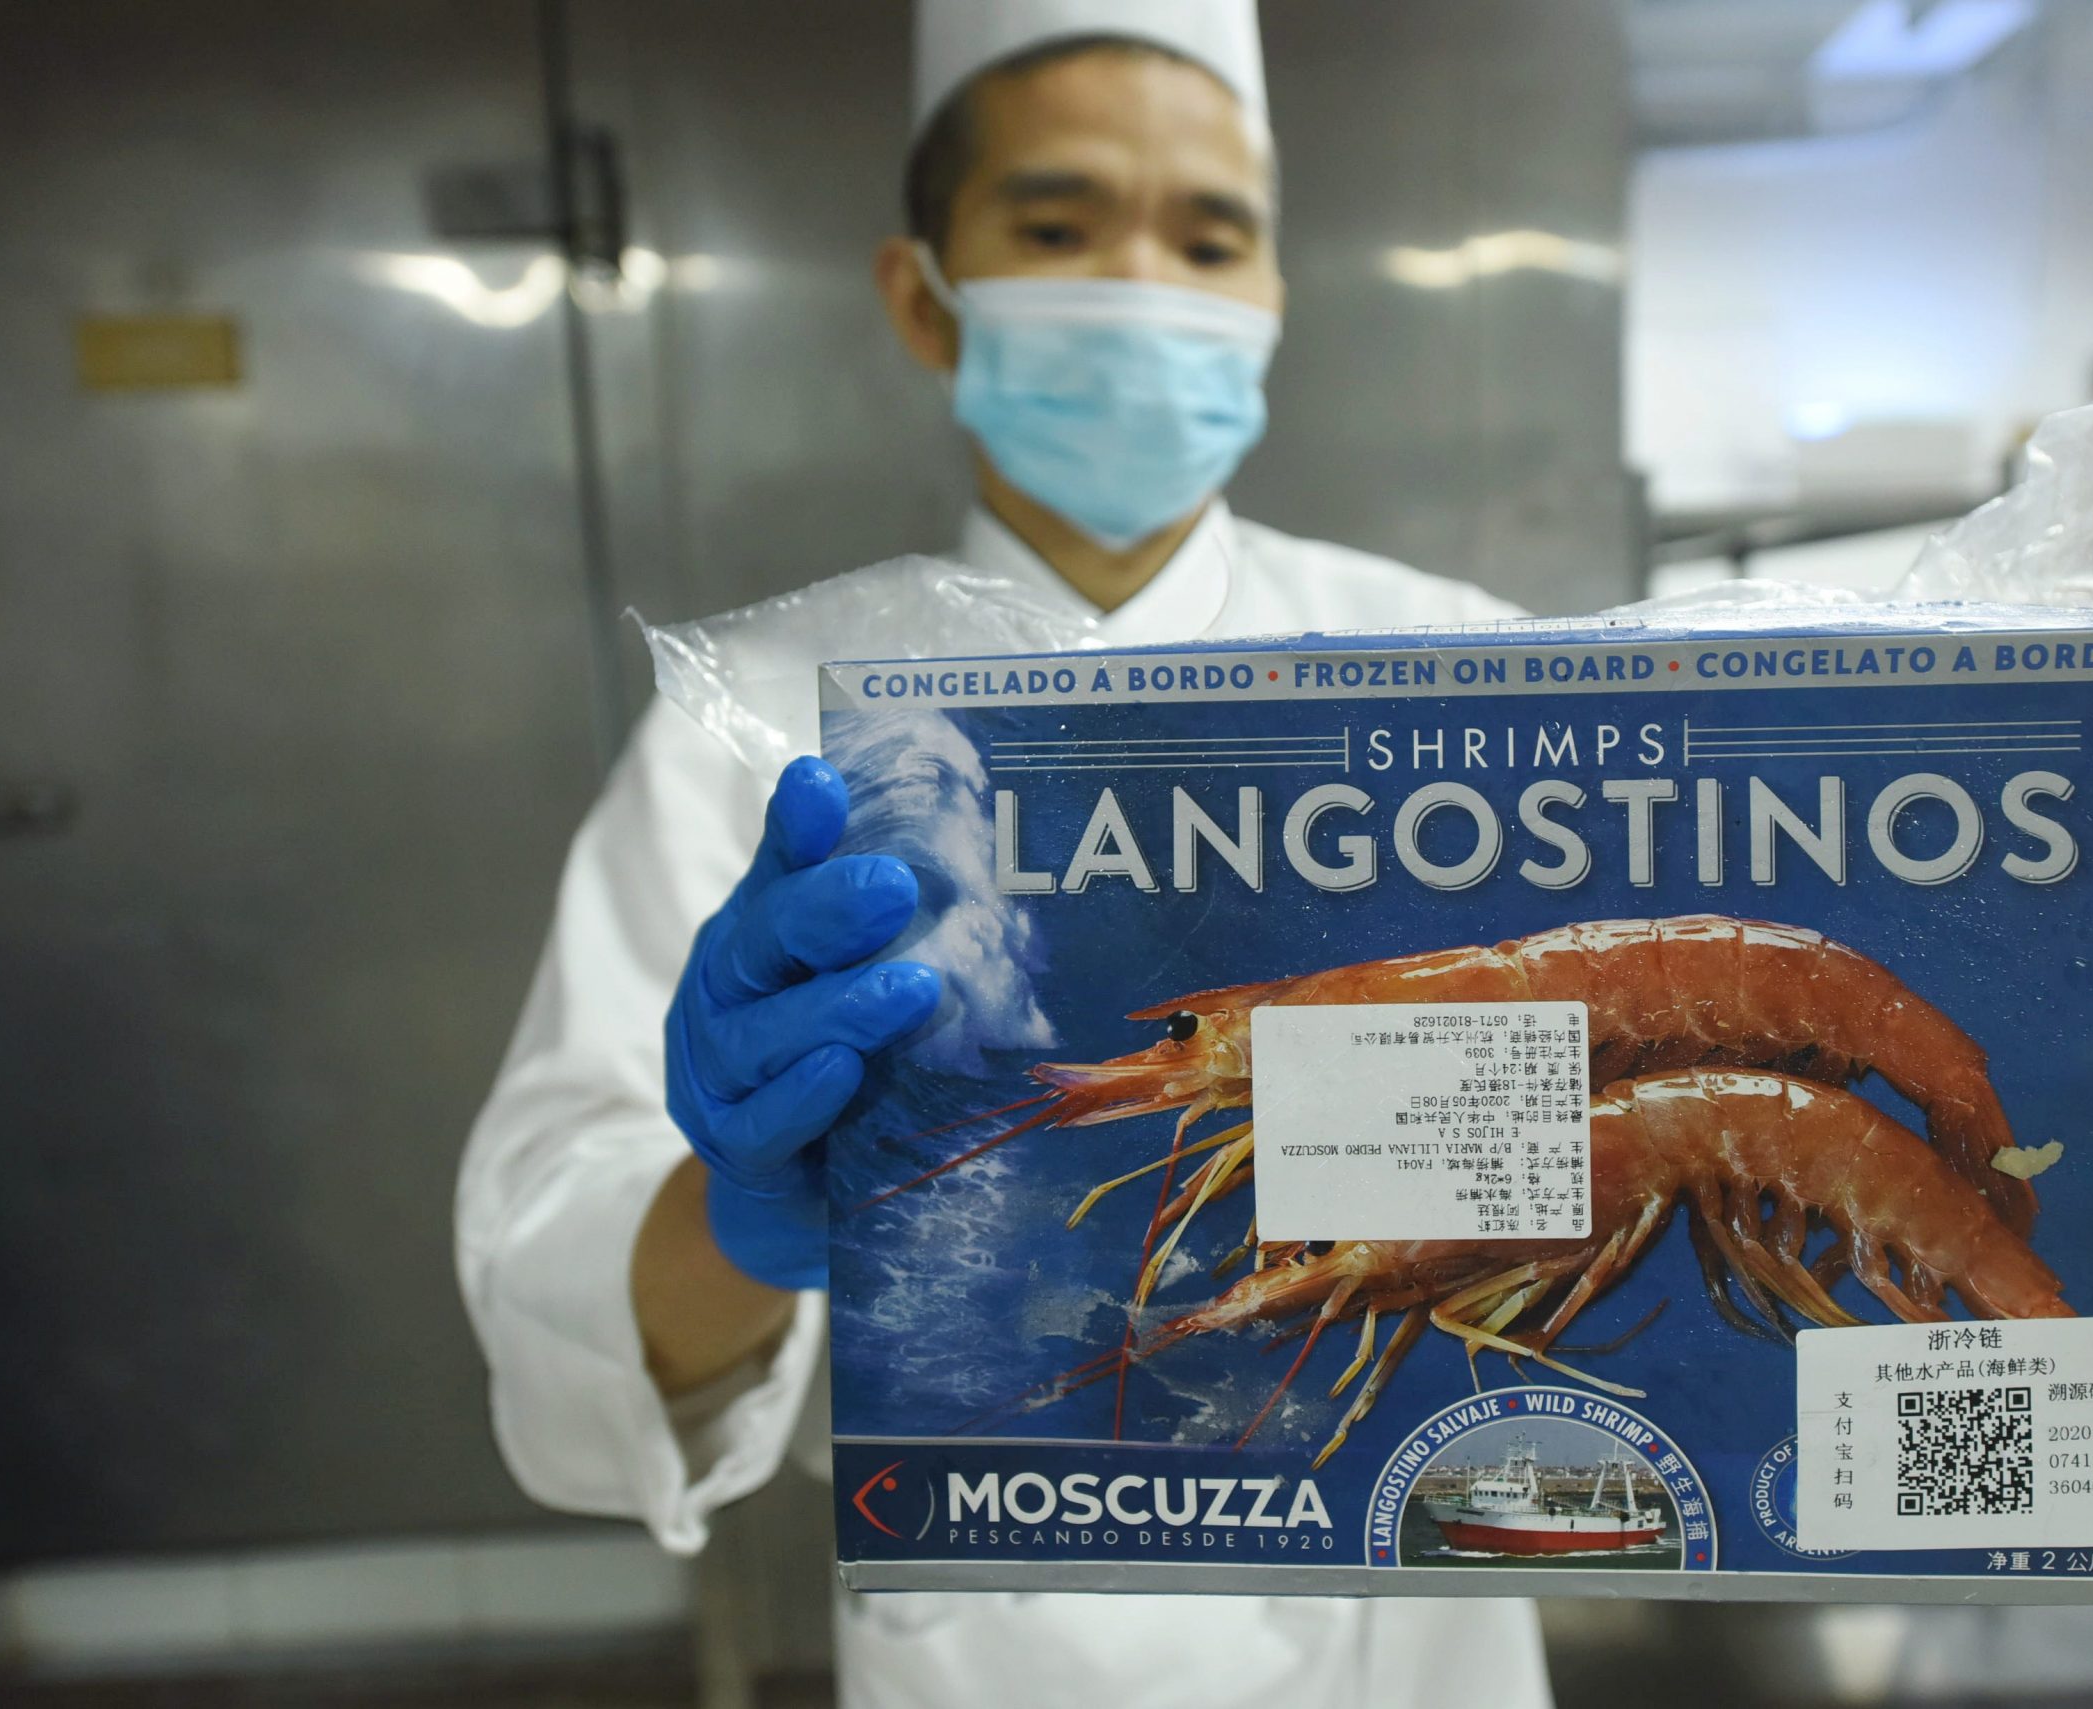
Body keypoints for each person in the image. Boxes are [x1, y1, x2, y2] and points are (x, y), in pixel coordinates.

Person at [455, 4, 1550, 1706]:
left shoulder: (1470, 673)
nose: (1140, 280)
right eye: (1056, 226)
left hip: (1415, 1622)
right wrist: (741, 1213)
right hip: (982, 1635)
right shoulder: (761, 724)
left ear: (1267, 305)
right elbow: (551, 1259)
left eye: (1209, 237)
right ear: (922, 292)